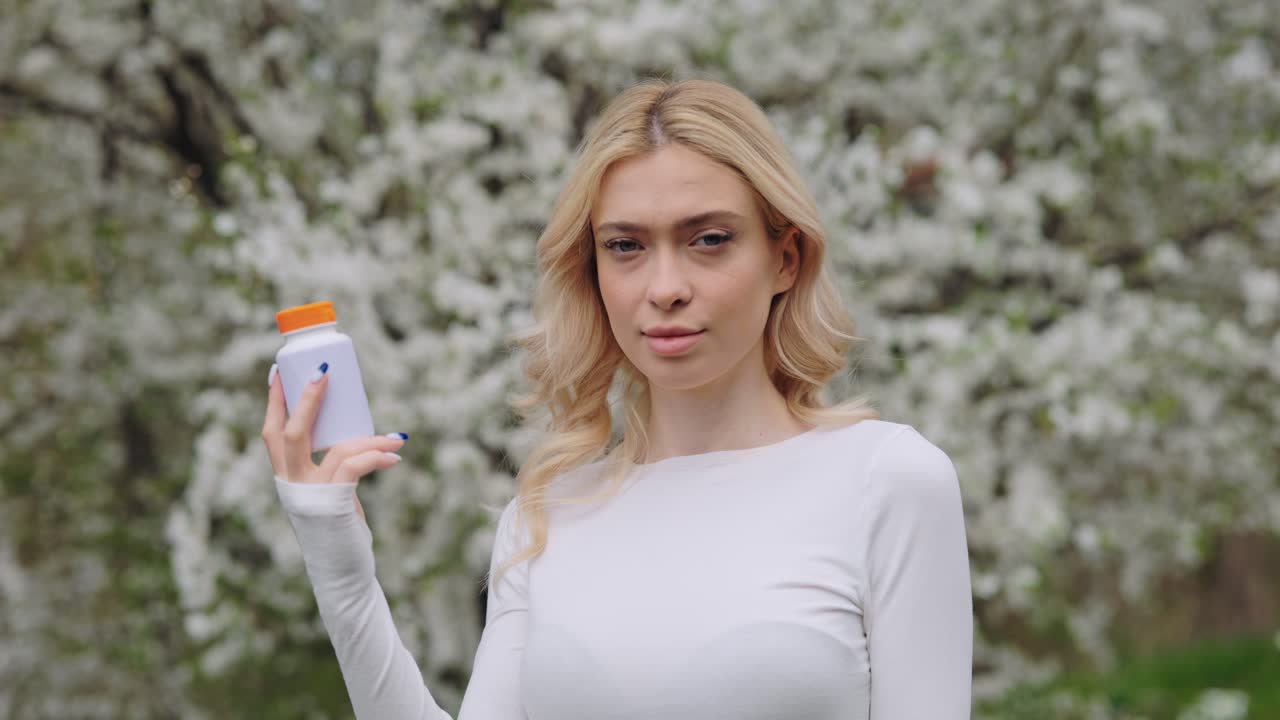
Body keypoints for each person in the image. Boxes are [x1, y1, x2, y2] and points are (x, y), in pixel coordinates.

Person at [263, 78, 973, 720]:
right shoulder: (545, 520)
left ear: (785, 258)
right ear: (593, 270)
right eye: (627, 247)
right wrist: (338, 559)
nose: (665, 286)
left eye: (710, 240)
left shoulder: (887, 482)